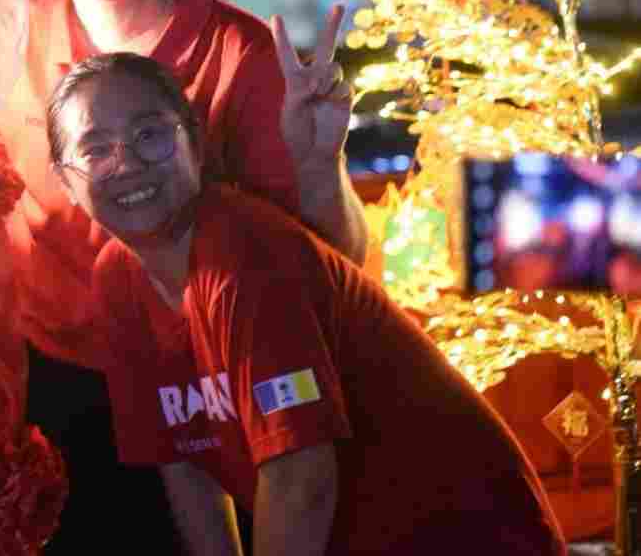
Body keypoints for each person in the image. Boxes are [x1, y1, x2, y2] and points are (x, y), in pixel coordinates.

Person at [0, 0, 366, 550]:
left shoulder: (244, 55)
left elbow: (331, 269)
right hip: (48, 392)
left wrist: (322, 163)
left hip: (212, 407)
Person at [45, 51, 566, 555]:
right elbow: (186, 468)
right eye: (95, 150)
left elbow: (301, 478)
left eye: (150, 135)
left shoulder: (244, 258)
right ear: (66, 181)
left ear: (196, 144)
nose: (128, 163)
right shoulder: (117, 279)